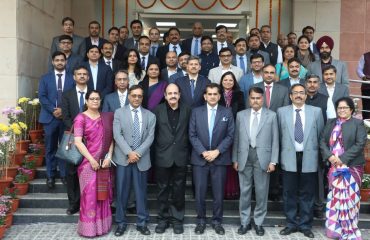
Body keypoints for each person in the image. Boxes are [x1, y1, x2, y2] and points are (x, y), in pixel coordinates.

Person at [278, 84, 324, 238]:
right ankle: (290, 224)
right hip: (288, 157)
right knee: (289, 192)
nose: (298, 95)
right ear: (290, 96)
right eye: (295, 93)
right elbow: (277, 137)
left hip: (309, 157)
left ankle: (305, 225)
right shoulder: (281, 112)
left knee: (307, 193)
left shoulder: (316, 112)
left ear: (306, 96)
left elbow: (321, 137)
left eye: (301, 93)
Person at [189, 83, 235, 235]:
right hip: (200, 159)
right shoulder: (196, 112)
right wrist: (203, 152)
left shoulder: (227, 112)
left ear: (219, 96)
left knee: (218, 194)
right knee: (200, 193)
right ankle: (201, 221)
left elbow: (230, 135)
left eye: (215, 94)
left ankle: (217, 221)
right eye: (210, 94)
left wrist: (217, 151)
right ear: (205, 96)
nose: (213, 96)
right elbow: (192, 135)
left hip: (219, 159)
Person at [233, 86, 279, 236]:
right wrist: (235, 158)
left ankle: (259, 222)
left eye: (258, 98)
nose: (255, 100)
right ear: (249, 99)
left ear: (263, 99)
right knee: (244, 191)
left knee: (261, 192)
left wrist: (273, 161)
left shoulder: (271, 115)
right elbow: (236, 139)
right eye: (252, 98)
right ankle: (244, 222)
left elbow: (275, 140)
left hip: (263, 158)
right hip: (244, 157)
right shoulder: (241, 115)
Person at [320, 97, 367, 239]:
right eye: (339, 108)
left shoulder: (358, 123)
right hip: (334, 167)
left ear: (351, 110)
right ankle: (336, 229)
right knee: (335, 199)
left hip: (352, 167)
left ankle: (349, 229)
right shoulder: (330, 123)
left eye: (345, 108)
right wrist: (330, 156)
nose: (342, 110)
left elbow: (360, 144)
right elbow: (322, 141)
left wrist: (342, 159)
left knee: (350, 200)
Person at [113, 85, 156, 236]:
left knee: (141, 193)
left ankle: (142, 222)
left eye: (139, 96)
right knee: (122, 192)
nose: (136, 98)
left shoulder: (150, 115)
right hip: (123, 159)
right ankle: (121, 223)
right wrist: (129, 153)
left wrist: (137, 153)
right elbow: (117, 135)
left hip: (141, 159)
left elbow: (150, 137)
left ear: (142, 98)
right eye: (134, 95)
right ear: (129, 96)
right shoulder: (119, 113)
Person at [74, 90, 114, 237]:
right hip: (88, 164)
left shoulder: (106, 117)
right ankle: (89, 229)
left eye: (97, 99)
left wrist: (109, 157)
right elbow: (78, 142)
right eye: (92, 99)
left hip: (104, 163)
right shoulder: (80, 118)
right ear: (86, 101)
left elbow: (111, 139)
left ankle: (102, 227)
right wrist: (91, 160)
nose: (95, 101)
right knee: (89, 197)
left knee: (102, 195)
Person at [153, 83, 192, 234]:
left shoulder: (188, 110)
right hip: (162, 156)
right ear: (165, 95)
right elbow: (154, 133)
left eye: (175, 93)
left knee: (179, 190)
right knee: (162, 190)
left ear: (180, 94)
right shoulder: (158, 110)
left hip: (180, 156)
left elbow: (190, 132)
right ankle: (162, 220)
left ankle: (177, 220)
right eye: (170, 93)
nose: (173, 95)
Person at [39, 51, 75, 189]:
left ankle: (64, 175)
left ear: (66, 62)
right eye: (57, 60)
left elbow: (72, 97)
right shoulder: (45, 78)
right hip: (50, 118)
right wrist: (54, 110)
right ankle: (50, 175)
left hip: (66, 118)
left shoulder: (72, 78)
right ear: (53, 62)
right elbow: (42, 97)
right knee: (50, 148)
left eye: (62, 60)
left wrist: (62, 110)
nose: (60, 62)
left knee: (65, 148)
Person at [61, 66, 90, 215]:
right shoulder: (67, 95)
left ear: (88, 77)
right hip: (73, 139)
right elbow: (65, 117)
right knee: (72, 173)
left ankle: (88, 202)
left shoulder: (93, 94)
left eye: (85, 74)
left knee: (89, 172)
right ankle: (73, 204)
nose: (82, 76)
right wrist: (79, 133)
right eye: (79, 74)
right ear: (74, 77)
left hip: (91, 138)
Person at [219, 72, 245, 200]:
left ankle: (232, 190)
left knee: (232, 161)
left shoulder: (239, 95)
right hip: (219, 132)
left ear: (234, 82)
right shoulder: (216, 94)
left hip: (234, 131)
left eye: (231, 80)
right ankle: (220, 190)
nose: (228, 82)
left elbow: (241, 113)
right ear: (221, 81)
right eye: (225, 79)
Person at [357, 51, 370, 119]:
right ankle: (366, 127)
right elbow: (359, 70)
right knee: (366, 109)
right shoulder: (365, 56)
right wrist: (363, 77)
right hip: (367, 87)